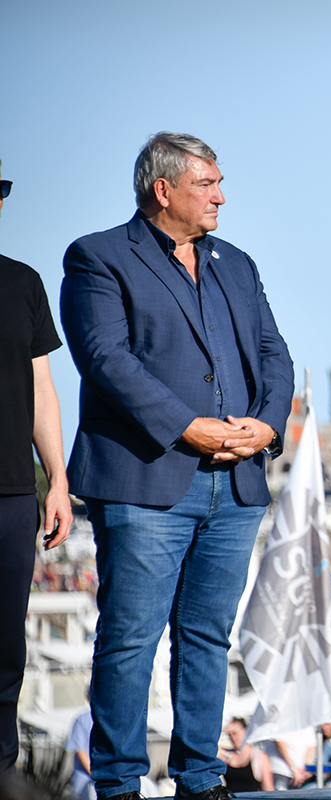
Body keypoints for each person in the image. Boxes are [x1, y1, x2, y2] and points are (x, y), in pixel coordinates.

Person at [60, 132, 294, 800]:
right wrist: (185, 426)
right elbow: (105, 359)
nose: (220, 196)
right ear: (163, 190)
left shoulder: (236, 264)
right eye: (207, 184)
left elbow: (274, 354)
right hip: (144, 481)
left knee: (207, 637)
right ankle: (119, 784)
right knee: (130, 637)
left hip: (236, 484)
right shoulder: (99, 256)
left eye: (219, 184)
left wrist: (267, 425)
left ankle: (200, 777)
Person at [0, 160, 73, 780]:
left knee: (5, 645)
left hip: (12, 494)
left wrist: (57, 481)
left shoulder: (23, 282)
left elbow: (42, 391)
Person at [217, 718, 272, 793]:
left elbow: (268, 787)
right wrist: (223, 731)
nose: (233, 738)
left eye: (235, 733)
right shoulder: (227, 756)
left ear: (246, 732)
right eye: (230, 734)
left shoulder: (258, 756)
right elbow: (210, 749)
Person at [67, 705, 94, 800]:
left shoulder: (83, 718)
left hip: (84, 783)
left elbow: (79, 750)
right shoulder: (112, 717)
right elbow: (80, 751)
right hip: (90, 783)